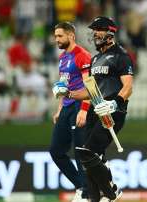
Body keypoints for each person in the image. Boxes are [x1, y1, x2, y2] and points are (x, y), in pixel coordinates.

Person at [64, 16, 134, 202]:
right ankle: (95, 198)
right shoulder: (95, 59)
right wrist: (68, 93)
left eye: (99, 29)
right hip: (95, 111)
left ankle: (111, 190)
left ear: (110, 32)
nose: (95, 33)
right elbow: (90, 90)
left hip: (112, 111)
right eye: (94, 29)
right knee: (86, 156)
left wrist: (115, 103)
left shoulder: (121, 56)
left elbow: (128, 87)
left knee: (89, 151)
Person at [50, 21, 91, 202]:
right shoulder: (62, 58)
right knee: (56, 151)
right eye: (55, 36)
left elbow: (91, 87)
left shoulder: (82, 56)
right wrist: (59, 109)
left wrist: (84, 110)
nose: (56, 39)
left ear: (71, 36)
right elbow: (63, 85)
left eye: (60, 36)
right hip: (66, 108)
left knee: (79, 150)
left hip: (78, 107)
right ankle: (82, 186)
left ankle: (86, 192)